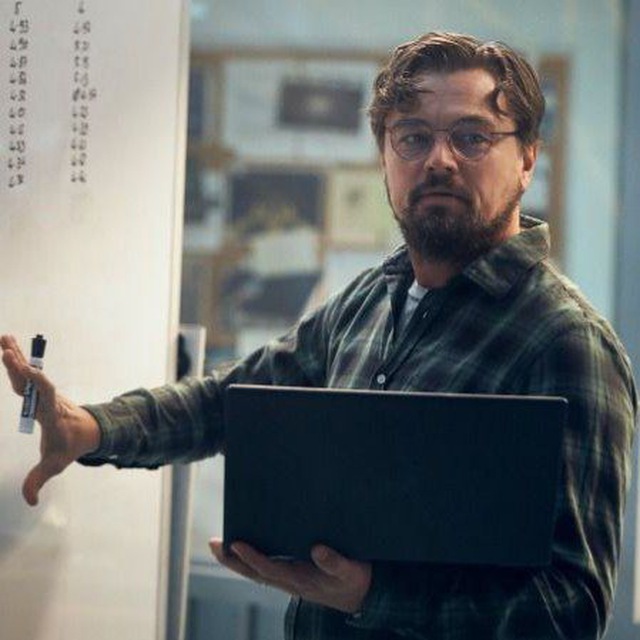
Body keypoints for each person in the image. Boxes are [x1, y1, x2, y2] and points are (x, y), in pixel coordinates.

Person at [1, 31, 637, 640]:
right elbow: (231, 401)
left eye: (471, 137)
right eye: (413, 137)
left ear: (526, 160)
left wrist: (371, 594)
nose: (439, 160)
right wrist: (92, 427)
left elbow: (570, 613)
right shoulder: (371, 300)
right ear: (385, 157)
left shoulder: (566, 341)